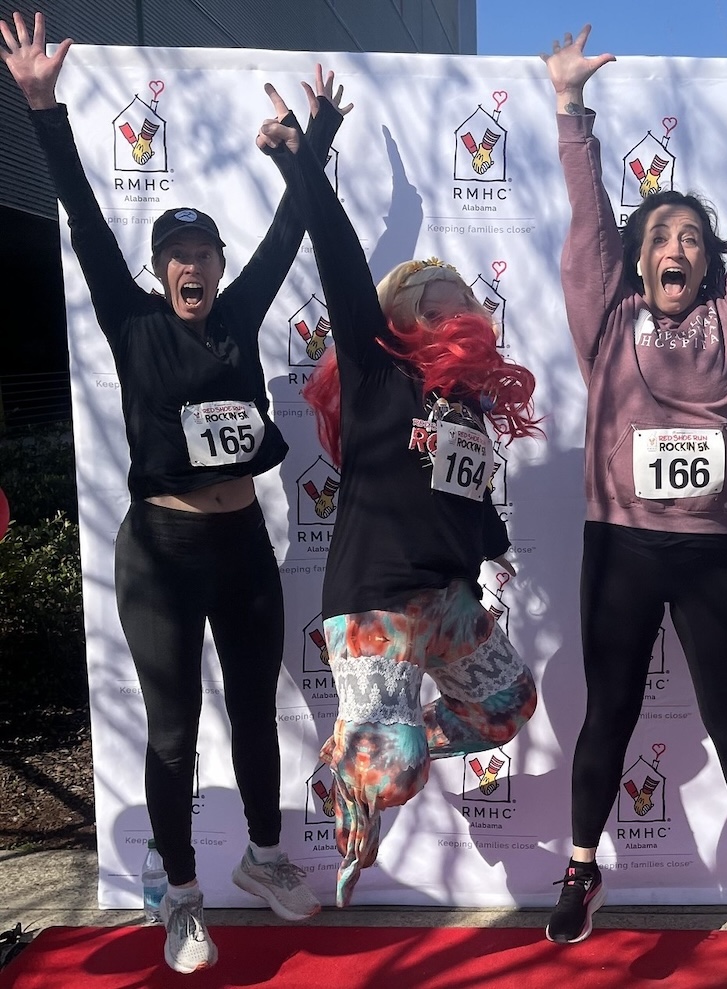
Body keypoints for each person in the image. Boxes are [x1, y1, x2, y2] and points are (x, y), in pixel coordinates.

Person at [0, 12, 349, 975]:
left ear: (219, 267)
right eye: (176, 257)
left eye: (204, 254)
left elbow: (291, 232)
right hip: (159, 553)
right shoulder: (132, 319)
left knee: (252, 718)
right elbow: (78, 211)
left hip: (243, 552)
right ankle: (184, 894)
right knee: (169, 732)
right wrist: (43, 110)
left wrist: (311, 146)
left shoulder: (238, 314)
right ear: (159, 272)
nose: (191, 267)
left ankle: (267, 862)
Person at [540, 25, 727, 948]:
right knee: (608, 714)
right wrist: (572, 113)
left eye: (692, 238)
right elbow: (587, 230)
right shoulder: (608, 319)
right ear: (638, 255)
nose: (679, 247)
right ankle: (582, 869)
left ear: (708, 262)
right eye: (661, 235)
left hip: (715, 554)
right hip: (619, 545)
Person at [255, 83, 541, 910]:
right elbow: (341, 259)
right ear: (411, 312)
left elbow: (463, 493)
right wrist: (306, 151)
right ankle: (359, 766)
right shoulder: (381, 370)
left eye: (467, 295)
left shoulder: (470, 405)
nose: (463, 302)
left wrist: (492, 545)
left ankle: (379, 736)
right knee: (402, 768)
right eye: (442, 293)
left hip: (445, 596)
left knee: (506, 704)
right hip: (376, 603)